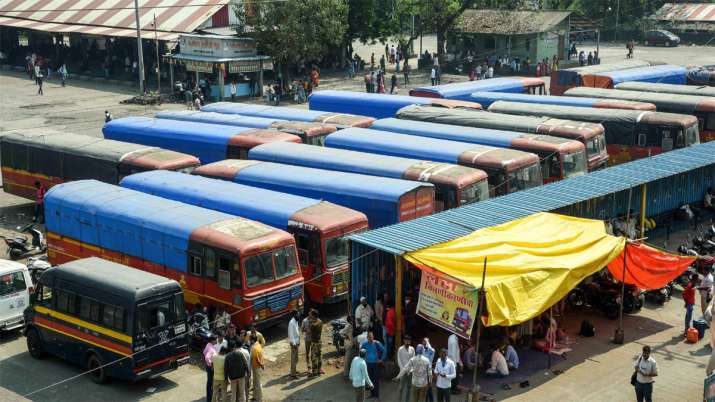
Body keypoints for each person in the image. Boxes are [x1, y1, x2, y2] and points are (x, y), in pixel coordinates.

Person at [361, 331, 385, 400]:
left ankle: (376, 396)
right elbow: (361, 352)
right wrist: (362, 361)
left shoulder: (377, 343)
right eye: (369, 337)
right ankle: (372, 394)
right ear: (367, 338)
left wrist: (381, 359)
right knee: (370, 380)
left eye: (371, 337)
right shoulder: (364, 344)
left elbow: (384, 350)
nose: (370, 338)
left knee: (376, 380)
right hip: (368, 364)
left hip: (375, 364)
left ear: (373, 337)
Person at [397, 335, 415, 402]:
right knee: (401, 387)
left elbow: (413, 360)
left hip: (410, 372)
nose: (407, 341)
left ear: (410, 341)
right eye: (406, 340)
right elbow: (399, 360)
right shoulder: (400, 349)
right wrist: (403, 370)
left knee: (409, 388)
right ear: (404, 341)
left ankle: (407, 400)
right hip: (402, 371)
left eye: (409, 340)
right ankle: (400, 400)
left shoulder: (412, 349)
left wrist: (410, 370)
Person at [309, 309, 323, 377]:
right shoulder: (320, 321)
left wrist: (310, 321)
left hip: (314, 342)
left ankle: (314, 372)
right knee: (319, 356)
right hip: (319, 341)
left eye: (311, 314)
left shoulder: (313, 325)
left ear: (314, 316)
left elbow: (309, 331)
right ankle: (319, 370)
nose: (310, 315)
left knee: (314, 358)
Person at [250, 333, 264, 402]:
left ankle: (260, 398)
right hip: (257, 367)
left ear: (252, 340)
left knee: (258, 383)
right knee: (255, 382)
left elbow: (257, 359)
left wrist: (261, 365)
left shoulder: (254, 348)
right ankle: (255, 396)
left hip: (256, 367)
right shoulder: (258, 345)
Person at [204, 335, 219, 402]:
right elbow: (207, 357)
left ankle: (209, 398)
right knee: (211, 383)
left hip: (209, 367)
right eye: (216, 339)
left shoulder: (208, 345)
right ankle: (210, 399)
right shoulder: (211, 349)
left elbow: (204, 352)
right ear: (213, 340)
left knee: (209, 383)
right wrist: (211, 364)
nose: (217, 340)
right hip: (211, 368)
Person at [341, 315, 355, 379]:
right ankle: (345, 374)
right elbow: (341, 332)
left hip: (349, 342)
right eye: (352, 320)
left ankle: (347, 372)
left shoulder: (350, 325)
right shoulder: (348, 325)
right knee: (347, 359)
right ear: (350, 320)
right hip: (348, 343)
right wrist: (346, 336)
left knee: (348, 358)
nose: (353, 321)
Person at [288, 310, 301, 379]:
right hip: (294, 343)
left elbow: (297, 331)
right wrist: (294, 343)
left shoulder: (296, 321)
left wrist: (299, 341)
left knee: (296, 358)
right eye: (298, 314)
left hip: (296, 342)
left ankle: (294, 371)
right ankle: (293, 374)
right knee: (293, 358)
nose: (299, 315)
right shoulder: (291, 323)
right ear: (295, 315)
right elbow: (291, 334)